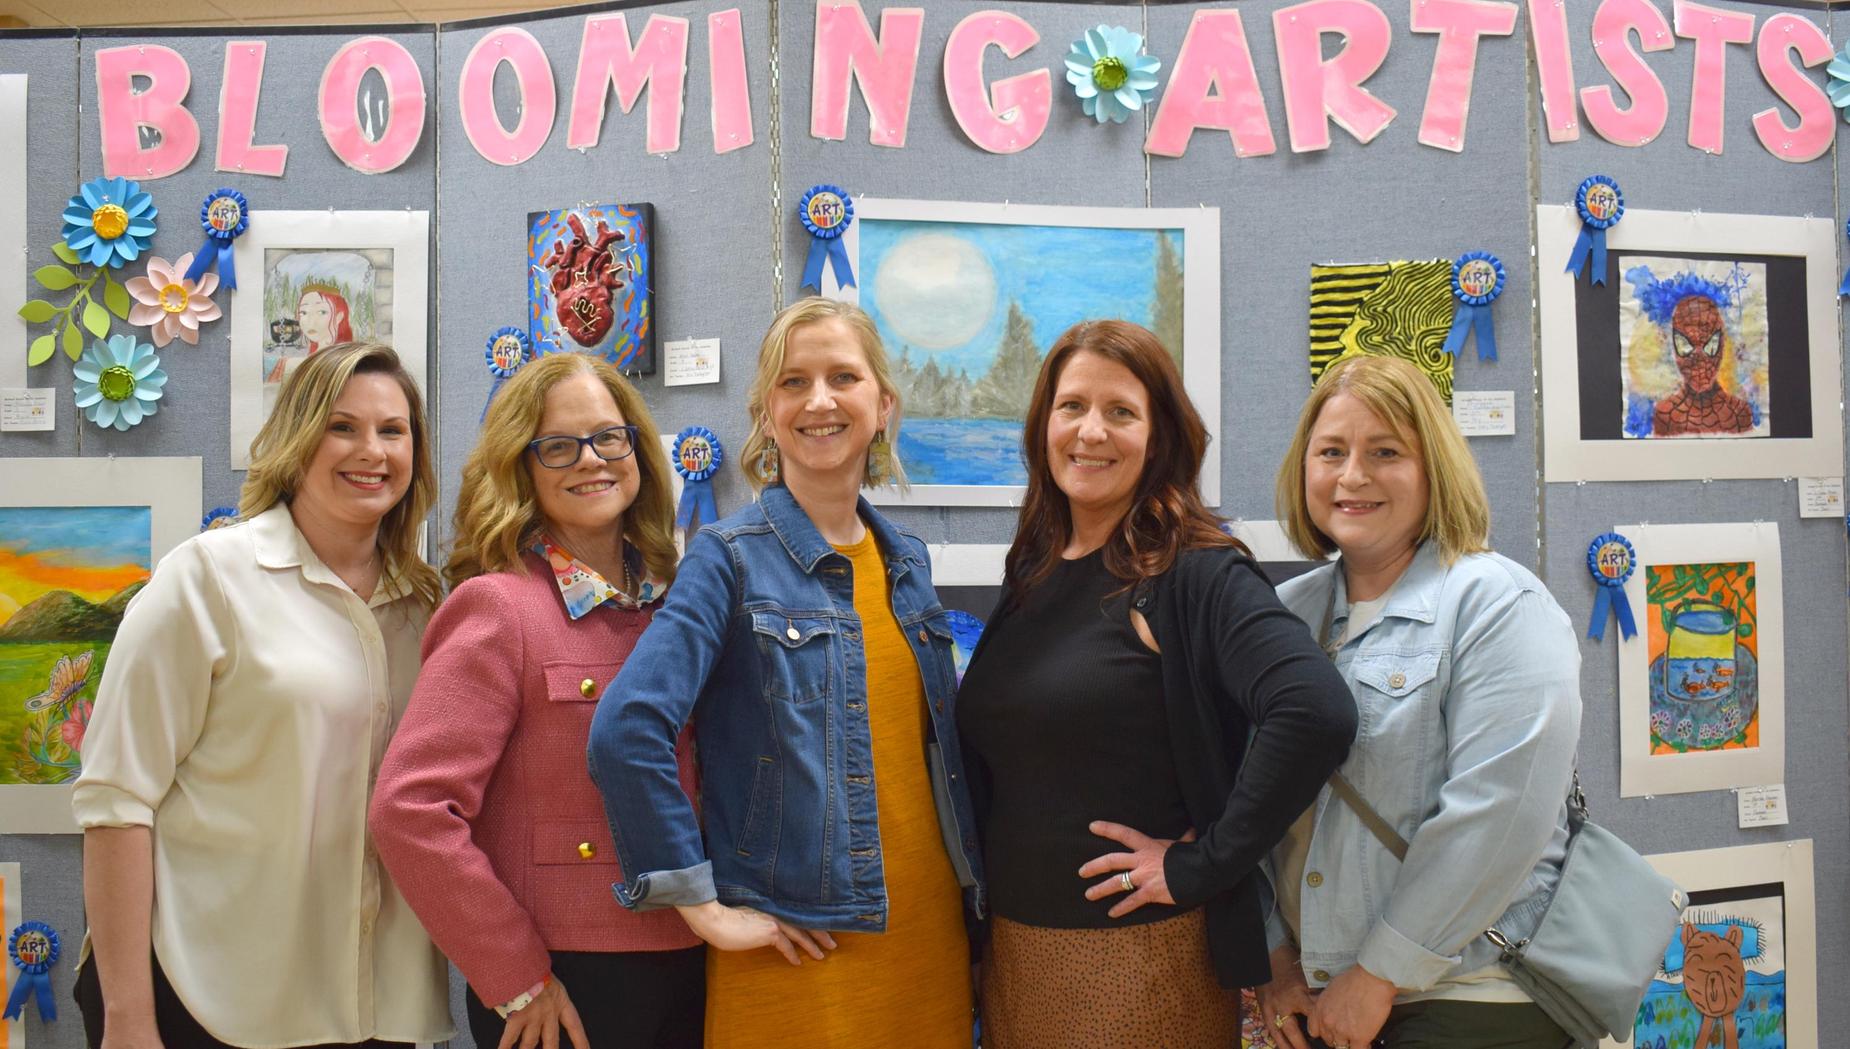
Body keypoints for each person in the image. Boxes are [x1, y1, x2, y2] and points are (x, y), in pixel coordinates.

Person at [587, 297, 983, 1048]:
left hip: (929, 940)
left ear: (884, 405)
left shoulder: (909, 563)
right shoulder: (727, 556)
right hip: (798, 950)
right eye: (793, 382)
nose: (820, 400)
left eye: (843, 376)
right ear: (767, 413)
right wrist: (701, 906)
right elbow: (625, 729)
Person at [955, 319, 1357, 1049]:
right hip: (1015, 957)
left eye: (1121, 411)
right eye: (1071, 405)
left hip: (1137, 964)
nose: (1091, 431)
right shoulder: (1035, 571)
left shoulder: (1193, 571)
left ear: (1160, 435)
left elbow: (1315, 710)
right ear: (1043, 423)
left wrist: (1203, 862)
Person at [71, 343, 450, 1049]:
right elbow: (115, 801)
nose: (371, 450)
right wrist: (128, 1016)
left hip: (373, 1003)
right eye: (343, 426)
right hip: (207, 993)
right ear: (297, 438)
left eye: (392, 430)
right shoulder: (206, 579)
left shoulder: (429, 609)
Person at [369, 353, 704, 1049]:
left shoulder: (676, 603)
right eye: (558, 446)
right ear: (521, 467)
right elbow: (411, 810)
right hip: (564, 983)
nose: (592, 459)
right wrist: (514, 971)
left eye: (609, 437)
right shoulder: (498, 608)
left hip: (698, 956)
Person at [1257, 354, 1580, 1049]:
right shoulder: (1281, 617)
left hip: (1472, 998)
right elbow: (1245, 813)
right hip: (1320, 1003)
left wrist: (1379, 974)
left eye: (1385, 452)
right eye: (1332, 452)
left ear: (1433, 466)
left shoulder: (1498, 603)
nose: (1352, 475)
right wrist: (1275, 964)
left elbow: (1498, 815)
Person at [269, 285, 355, 382]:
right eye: (303, 313)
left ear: (338, 317)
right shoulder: (289, 362)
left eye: (322, 312)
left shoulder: (348, 361)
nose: (310, 321)